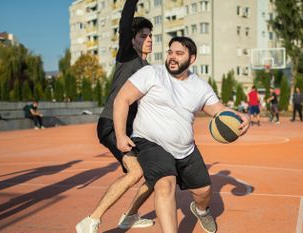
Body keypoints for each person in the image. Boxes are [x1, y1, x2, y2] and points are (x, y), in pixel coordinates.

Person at [113, 36, 250, 233]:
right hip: (150, 142)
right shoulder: (151, 73)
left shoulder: (200, 86)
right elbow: (122, 99)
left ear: (192, 59)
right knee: (165, 185)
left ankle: (201, 211)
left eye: (179, 53)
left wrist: (240, 116)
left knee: (203, 191)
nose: (172, 57)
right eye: (170, 52)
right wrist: (120, 135)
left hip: (185, 149)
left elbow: (219, 111)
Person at [75, 1, 154, 232]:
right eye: (143, 35)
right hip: (111, 124)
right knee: (137, 171)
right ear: (132, 39)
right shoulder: (127, 57)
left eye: (151, 36)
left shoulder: (148, 68)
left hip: (131, 130)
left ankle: (130, 216)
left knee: (155, 172)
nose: (149, 39)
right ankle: (90, 220)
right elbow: (125, 22)